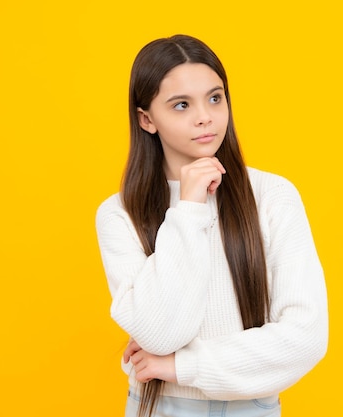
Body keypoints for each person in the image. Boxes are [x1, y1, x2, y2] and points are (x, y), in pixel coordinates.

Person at [95, 34, 328, 417]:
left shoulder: (272, 196)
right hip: (158, 406)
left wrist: (181, 366)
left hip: (251, 408)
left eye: (215, 98)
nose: (205, 116)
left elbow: (306, 338)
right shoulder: (120, 213)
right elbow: (160, 333)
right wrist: (188, 208)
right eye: (182, 105)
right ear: (147, 119)